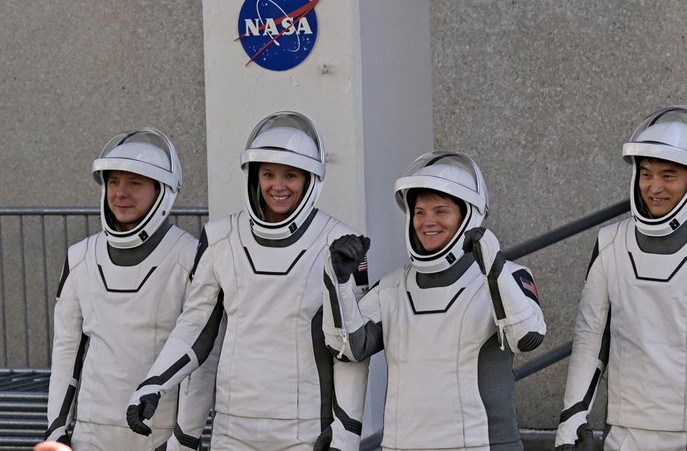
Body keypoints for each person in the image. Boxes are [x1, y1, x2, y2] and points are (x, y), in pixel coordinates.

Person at [126, 111, 370, 450]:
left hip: (304, 432)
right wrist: (153, 385)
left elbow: (351, 353)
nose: (278, 186)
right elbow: (195, 327)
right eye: (268, 174)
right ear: (254, 177)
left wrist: (346, 434)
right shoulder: (220, 237)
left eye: (290, 175)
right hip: (232, 429)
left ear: (310, 179)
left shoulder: (340, 243)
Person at [555, 106, 687, 450]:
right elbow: (590, 337)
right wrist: (573, 415)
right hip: (622, 434)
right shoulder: (610, 243)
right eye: (646, 174)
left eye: (669, 176)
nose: (654, 187)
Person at [319, 151, 547, 450]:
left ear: (468, 216)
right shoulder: (392, 286)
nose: (427, 222)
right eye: (419, 212)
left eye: (441, 211)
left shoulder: (509, 276)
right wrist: (338, 281)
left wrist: (494, 267)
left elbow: (527, 338)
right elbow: (348, 348)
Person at [44, 129, 204, 450]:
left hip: (156, 435)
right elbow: (66, 352)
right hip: (90, 435)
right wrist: (56, 429)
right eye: (114, 181)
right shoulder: (80, 257)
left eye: (135, 182)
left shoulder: (191, 257)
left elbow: (200, 359)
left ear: (161, 190)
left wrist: (184, 439)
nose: (120, 193)